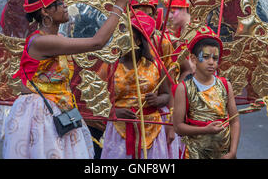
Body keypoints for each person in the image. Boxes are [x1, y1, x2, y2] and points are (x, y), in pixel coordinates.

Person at [2, 0, 129, 159]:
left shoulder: (58, 39)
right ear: (45, 11)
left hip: (61, 111)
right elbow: (97, 42)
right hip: (40, 114)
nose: (65, 6)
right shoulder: (40, 42)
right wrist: (119, 5)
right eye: (60, 3)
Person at [101, 11, 178, 159]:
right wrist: (114, 112)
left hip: (153, 130)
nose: (121, 38)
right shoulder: (110, 66)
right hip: (119, 131)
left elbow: (168, 95)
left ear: (138, 41)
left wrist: (157, 100)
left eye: (127, 35)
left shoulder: (155, 65)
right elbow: (95, 101)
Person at [173, 26, 240, 159]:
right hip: (195, 153)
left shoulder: (226, 85)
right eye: (205, 57)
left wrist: (232, 152)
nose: (211, 62)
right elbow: (178, 127)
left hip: (223, 153)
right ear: (193, 58)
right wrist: (205, 130)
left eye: (215, 58)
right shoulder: (183, 88)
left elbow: (235, 121)